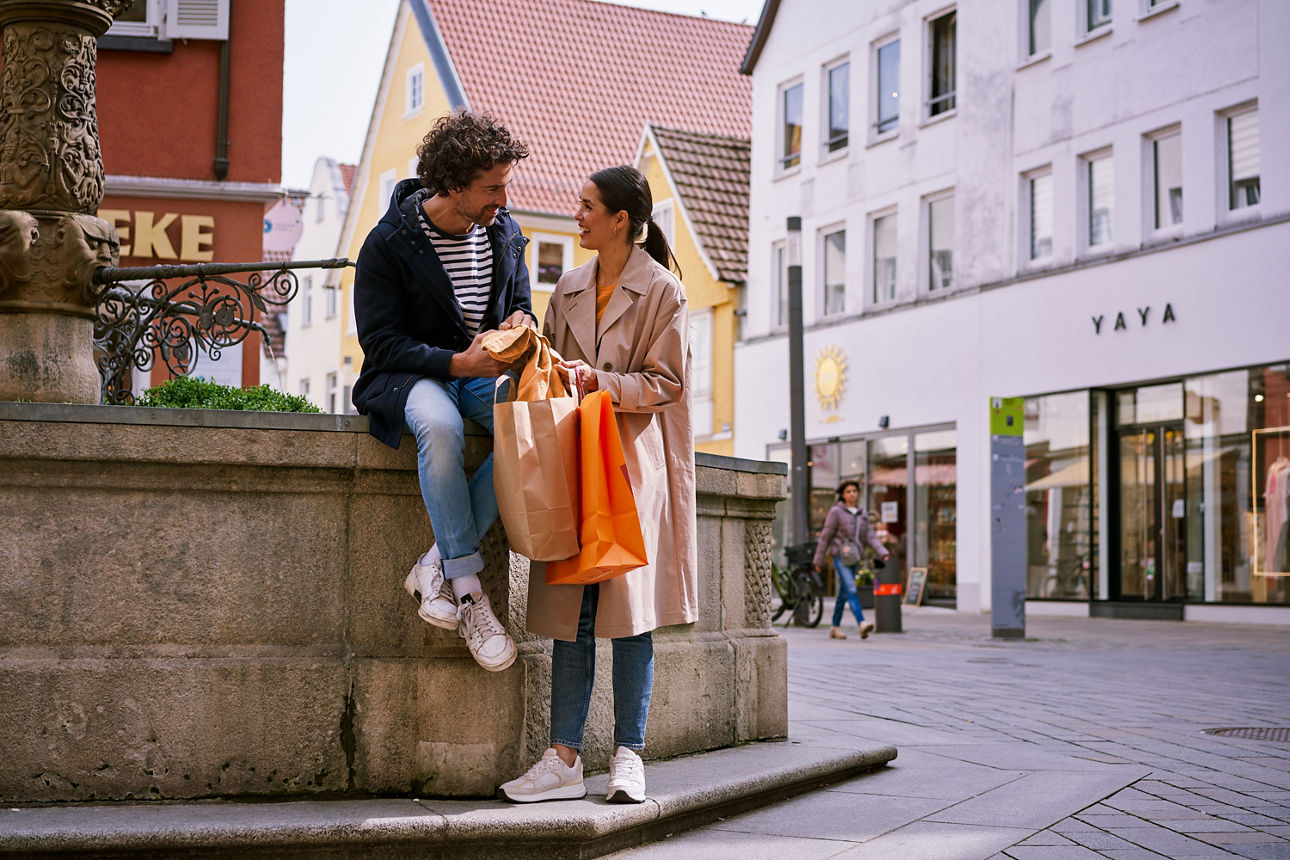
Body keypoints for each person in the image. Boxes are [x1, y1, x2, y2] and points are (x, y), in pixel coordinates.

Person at [499, 166, 696, 805]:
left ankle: (629, 754)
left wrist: (598, 382)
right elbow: (552, 370)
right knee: (572, 613)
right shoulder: (570, 289)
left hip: (631, 471)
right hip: (573, 466)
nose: (576, 216)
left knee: (630, 618)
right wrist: (527, 354)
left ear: (620, 220)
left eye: (586, 208)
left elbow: (667, 384)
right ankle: (563, 759)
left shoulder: (664, 291)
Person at [351, 111, 533, 672]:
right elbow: (380, 342)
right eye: (493, 186)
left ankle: (438, 563)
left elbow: (520, 305)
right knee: (440, 427)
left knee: (536, 431)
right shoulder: (388, 243)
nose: (504, 197)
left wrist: (516, 324)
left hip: (483, 371)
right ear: (453, 185)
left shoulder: (502, 231)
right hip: (414, 376)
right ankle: (472, 594)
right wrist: (455, 361)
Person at [814, 479, 889, 640]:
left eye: (854, 491)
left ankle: (834, 626)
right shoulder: (836, 512)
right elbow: (826, 537)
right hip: (840, 556)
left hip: (856, 557)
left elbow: (870, 537)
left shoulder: (862, 514)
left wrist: (882, 552)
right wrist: (818, 561)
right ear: (842, 495)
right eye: (848, 491)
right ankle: (862, 622)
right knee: (851, 588)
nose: (852, 494)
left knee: (843, 593)